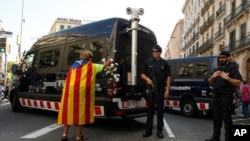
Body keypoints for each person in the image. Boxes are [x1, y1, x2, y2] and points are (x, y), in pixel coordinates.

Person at [57, 50, 111, 141]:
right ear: (90, 58)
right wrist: (109, 60)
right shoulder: (93, 66)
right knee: (81, 113)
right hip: (83, 94)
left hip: (71, 92)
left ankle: (64, 134)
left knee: (70, 112)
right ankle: (78, 136)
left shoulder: (74, 66)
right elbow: (105, 66)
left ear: (80, 57)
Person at [205, 51, 242, 141]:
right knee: (216, 118)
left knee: (227, 119)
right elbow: (209, 82)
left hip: (226, 97)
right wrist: (212, 77)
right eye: (220, 57)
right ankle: (215, 137)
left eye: (223, 57)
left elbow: (238, 83)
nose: (221, 59)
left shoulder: (232, 68)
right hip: (216, 96)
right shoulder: (217, 69)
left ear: (228, 58)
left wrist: (227, 78)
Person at [140, 45, 171, 138]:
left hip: (161, 88)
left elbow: (168, 76)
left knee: (160, 111)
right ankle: (148, 130)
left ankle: (159, 131)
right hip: (151, 89)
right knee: (150, 111)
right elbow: (141, 74)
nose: (155, 53)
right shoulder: (148, 61)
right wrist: (147, 80)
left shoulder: (164, 63)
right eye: (153, 51)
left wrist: (167, 90)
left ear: (160, 52)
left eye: (157, 51)